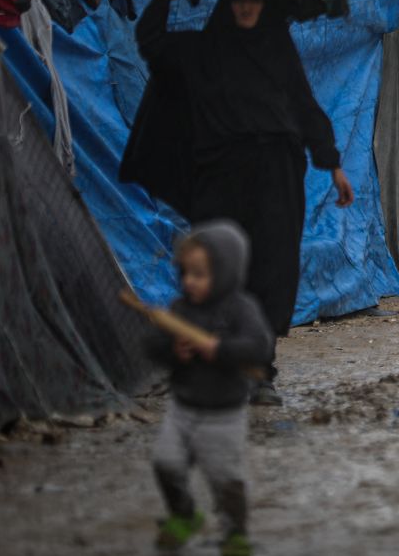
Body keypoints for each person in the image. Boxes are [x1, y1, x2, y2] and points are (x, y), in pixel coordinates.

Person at [123, 0, 354, 405]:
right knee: (216, 270)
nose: (246, 5)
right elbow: (150, 41)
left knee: (272, 267)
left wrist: (332, 164)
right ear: (226, 4)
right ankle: (208, 364)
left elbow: (304, 106)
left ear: (264, 5)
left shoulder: (277, 47)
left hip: (276, 175)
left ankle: (258, 369)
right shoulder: (202, 51)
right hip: (219, 175)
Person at [147, 221, 273, 556]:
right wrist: (174, 351)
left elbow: (259, 347)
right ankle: (185, 514)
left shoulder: (241, 309)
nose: (189, 281)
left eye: (199, 274)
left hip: (224, 415)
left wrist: (219, 349)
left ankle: (235, 533)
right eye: (186, 272)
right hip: (183, 407)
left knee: (225, 479)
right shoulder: (180, 309)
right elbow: (152, 346)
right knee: (166, 462)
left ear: (226, 271)